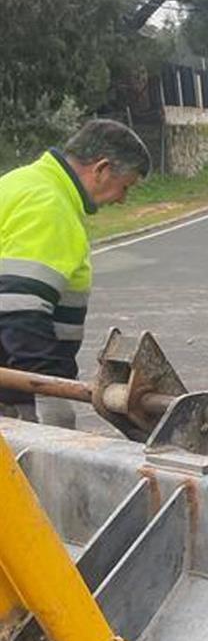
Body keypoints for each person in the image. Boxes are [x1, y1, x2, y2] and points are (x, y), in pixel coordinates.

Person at [0, 119, 150, 428]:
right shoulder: (49, 206)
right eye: (126, 186)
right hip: (15, 398)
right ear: (102, 169)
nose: (122, 199)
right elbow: (22, 310)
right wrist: (51, 401)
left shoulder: (19, 183)